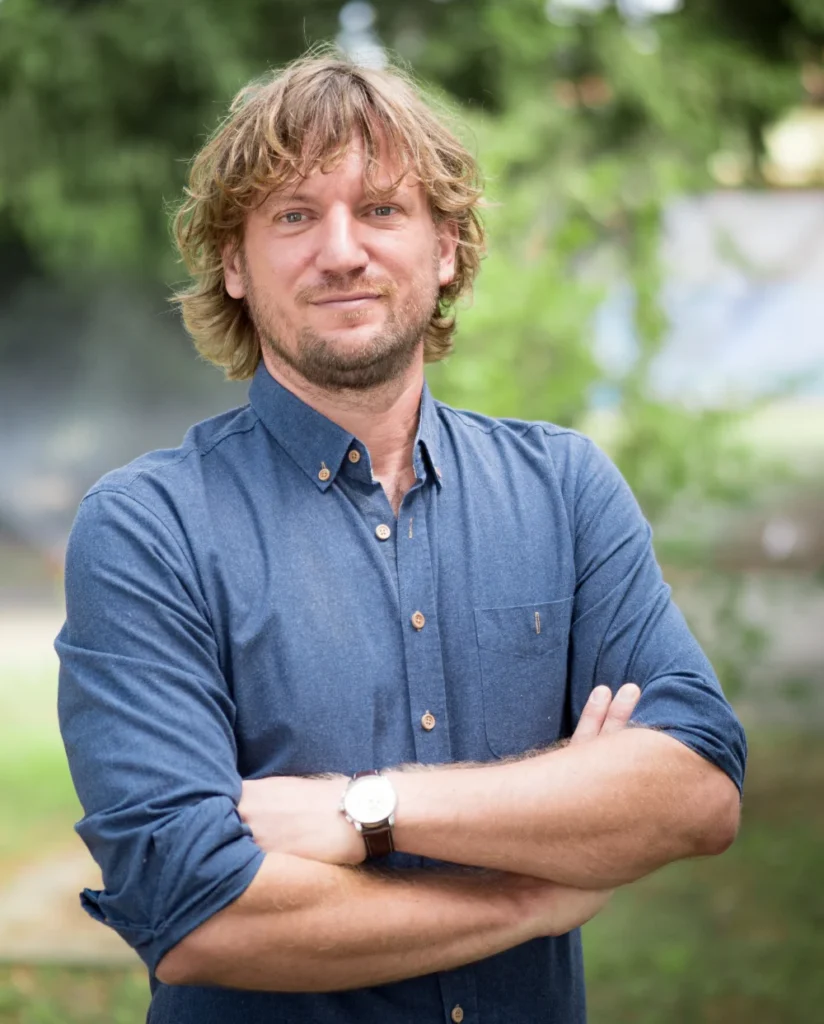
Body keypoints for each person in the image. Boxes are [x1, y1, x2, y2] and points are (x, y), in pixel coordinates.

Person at [56, 52, 746, 1024]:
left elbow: (697, 792)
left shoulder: (563, 489)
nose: (341, 251)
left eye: (381, 209)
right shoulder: (148, 527)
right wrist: (531, 895)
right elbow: (199, 912)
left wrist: (365, 810)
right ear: (233, 264)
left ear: (446, 248)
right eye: (293, 216)